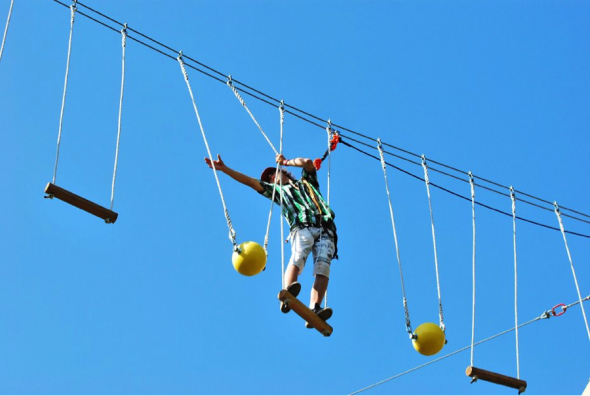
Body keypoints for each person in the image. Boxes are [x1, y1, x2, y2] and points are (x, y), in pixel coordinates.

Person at [204, 153, 338, 326]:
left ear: (283, 172)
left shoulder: (308, 182)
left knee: (323, 268)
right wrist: (225, 169)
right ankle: (289, 291)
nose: (272, 178)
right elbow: (251, 182)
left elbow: (308, 163)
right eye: (269, 179)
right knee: (298, 256)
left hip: (326, 229)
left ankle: (316, 308)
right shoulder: (278, 192)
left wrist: (286, 162)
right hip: (302, 226)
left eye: (273, 174)